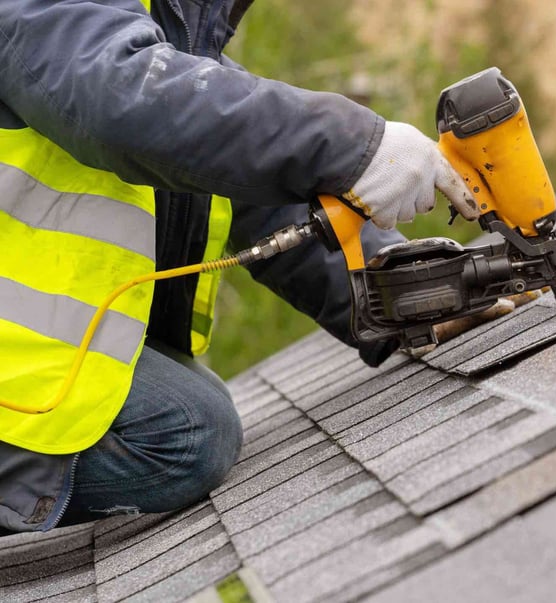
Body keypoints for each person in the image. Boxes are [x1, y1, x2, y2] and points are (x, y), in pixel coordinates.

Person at [0, 0, 479, 533]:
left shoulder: (168, 32)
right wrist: (351, 147)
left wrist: (405, 293)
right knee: (186, 432)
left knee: (191, 413)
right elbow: (124, 98)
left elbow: (262, 194)